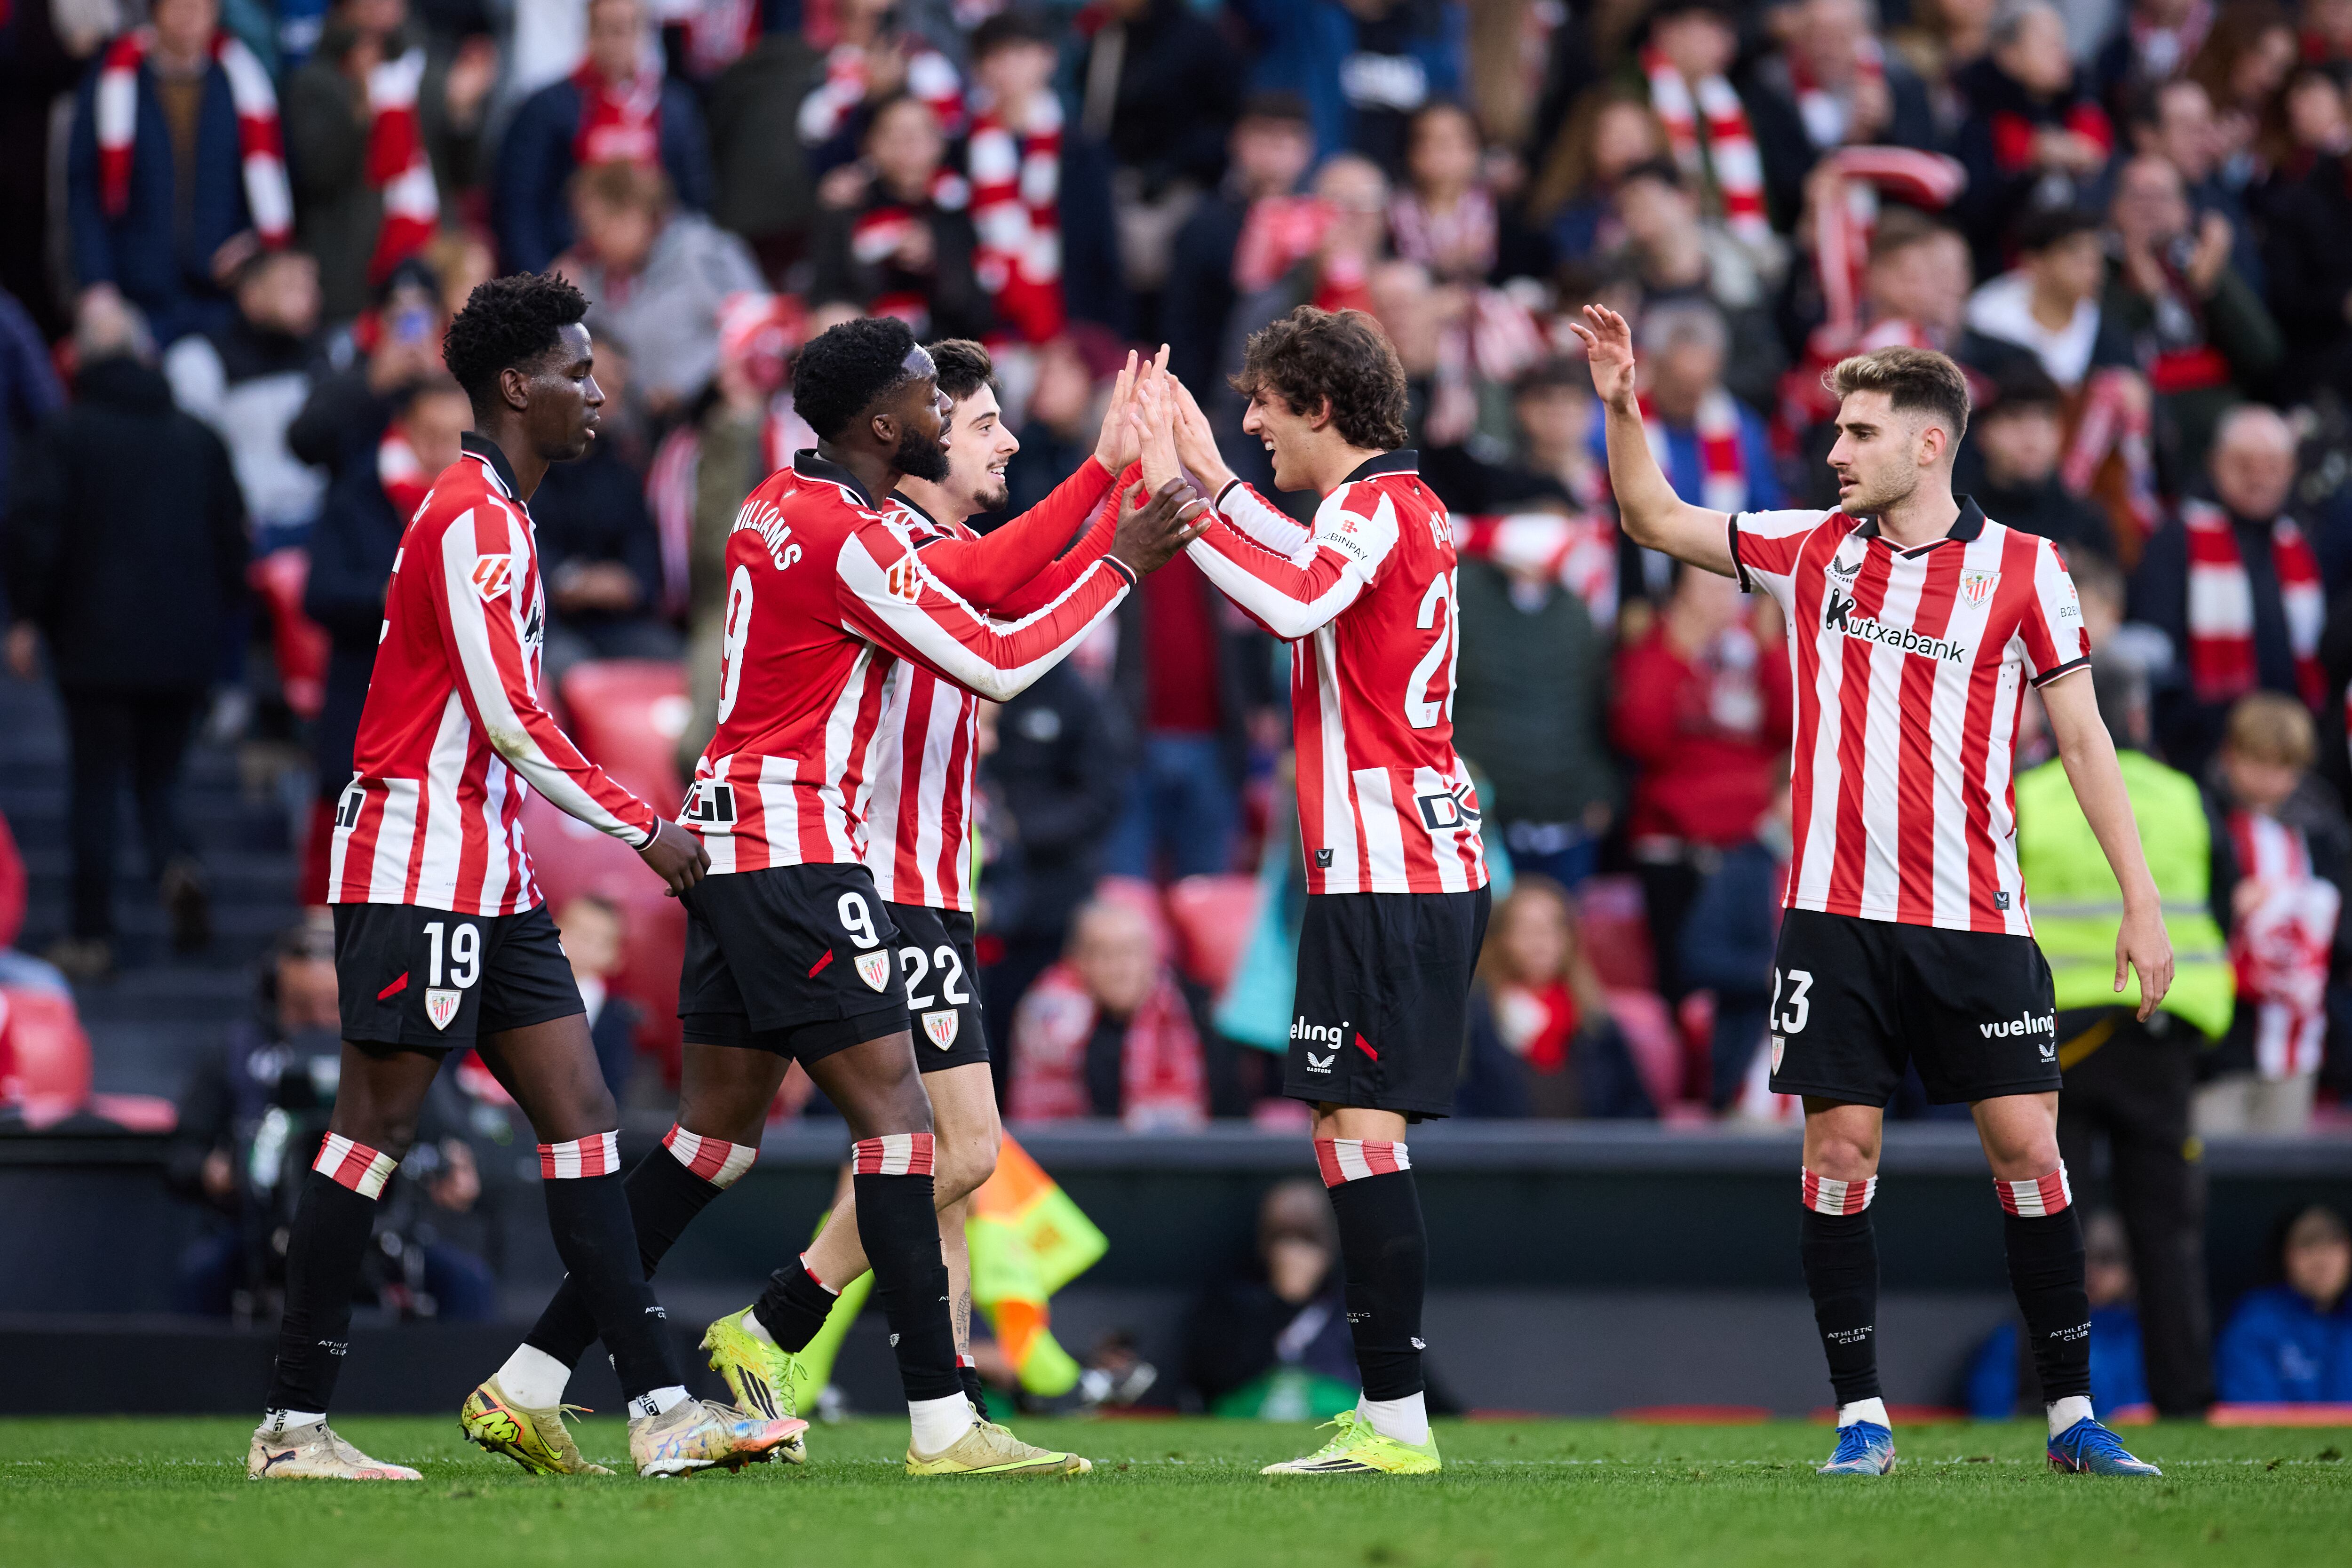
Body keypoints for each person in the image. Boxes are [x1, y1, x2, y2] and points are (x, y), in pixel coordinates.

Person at [474, 316, 1203, 1480]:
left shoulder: (787, 504)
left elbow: (983, 572)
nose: (944, 409)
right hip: (802, 854)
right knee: (910, 1141)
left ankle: (529, 1379)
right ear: (883, 424)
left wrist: (1101, 485)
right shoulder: (850, 536)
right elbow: (999, 654)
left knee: (713, 1143)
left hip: (736, 848)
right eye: (931, 397)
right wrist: (1122, 559)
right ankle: (940, 1422)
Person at [1571, 303, 2171, 1478]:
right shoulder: (1810, 548)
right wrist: (1620, 403)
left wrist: (2137, 898)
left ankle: (2070, 1420)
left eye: (1858, 432)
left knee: (2024, 1146)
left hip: (1975, 915)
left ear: (1928, 444)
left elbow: (2088, 742)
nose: (1835, 452)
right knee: (1840, 1153)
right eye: (1837, 431)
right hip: (1833, 917)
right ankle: (1860, 1417)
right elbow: (1649, 515)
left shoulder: (2026, 570)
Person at [262, 270, 790, 1482]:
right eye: (575, 372)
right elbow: (512, 719)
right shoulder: (473, 518)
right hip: (416, 859)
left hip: (488, 871)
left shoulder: (501, 510)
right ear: (515, 385)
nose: (597, 393)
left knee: (587, 1120)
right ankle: (293, 1428)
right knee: (373, 1132)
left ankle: (658, 1410)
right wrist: (644, 827)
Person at [1165, 304, 1491, 1476]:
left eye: (1260, 403)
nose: (1249, 422)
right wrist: (1209, 480)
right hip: (1386, 864)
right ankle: (1390, 1415)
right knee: (1348, 1135)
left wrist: (1182, 510)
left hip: (1392, 866)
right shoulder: (1394, 504)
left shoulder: (1370, 507)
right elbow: (1305, 569)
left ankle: (1398, 1423)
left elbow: (1293, 599)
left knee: (1359, 1130)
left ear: (1318, 405)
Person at [2015, 660, 2234, 1417]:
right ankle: (2186, 1399)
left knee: (2044, 1221)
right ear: (2138, 716)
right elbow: (2222, 907)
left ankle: (2042, 1399)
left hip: (2054, 1035)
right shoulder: (2185, 797)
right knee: (2167, 1234)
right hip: (2157, 1028)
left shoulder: (2032, 793)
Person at [5, 296, 246, 981]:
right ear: (146, 355)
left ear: (77, 357)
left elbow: (34, 535)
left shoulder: (65, 434)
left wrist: (27, 617)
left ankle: (93, 934)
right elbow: (235, 544)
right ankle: (178, 864)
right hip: (185, 646)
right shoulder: (199, 437)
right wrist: (219, 626)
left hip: (93, 645)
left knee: (95, 783)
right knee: (160, 780)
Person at [1611, 565, 1793, 1001]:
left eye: (1731, 585)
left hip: (1752, 848)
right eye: (1707, 584)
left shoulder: (1758, 644)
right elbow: (1639, 737)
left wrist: (1771, 648)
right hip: (1675, 842)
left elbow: (1796, 727)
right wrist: (1675, 653)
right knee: (1681, 982)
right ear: (1677, 593)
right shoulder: (1654, 647)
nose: (1723, 597)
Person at [65, 0, 291, 347]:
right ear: (156, 12)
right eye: (179, 6)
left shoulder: (242, 82)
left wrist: (252, 242)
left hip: (222, 297)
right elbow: (85, 191)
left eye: (201, 6)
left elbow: (269, 183)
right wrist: (98, 282)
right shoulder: (115, 80)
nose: (190, 17)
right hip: (136, 295)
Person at [2131, 405, 2322, 773]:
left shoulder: (2299, 544)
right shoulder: (2175, 539)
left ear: (2291, 470)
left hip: (2289, 754)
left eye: (2272, 465)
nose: (2259, 478)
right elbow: (2157, 648)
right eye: (2244, 464)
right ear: (2215, 462)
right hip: (2203, 752)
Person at [2199, 692, 2345, 1133]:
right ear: (2230, 757)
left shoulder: (2322, 831)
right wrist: (2231, 907)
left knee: (2283, 1173)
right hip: (2220, 1042)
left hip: (2297, 1040)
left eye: (2283, 767)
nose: (2268, 780)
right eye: (2256, 762)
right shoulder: (2206, 818)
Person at [493, 0, 715, 275]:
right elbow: (520, 205)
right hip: (578, 266)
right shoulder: (548, 108)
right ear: (589, 33)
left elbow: (695, 199)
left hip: (659, 269)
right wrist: (544, 275)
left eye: (624, 30)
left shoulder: (674, 107)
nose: (614, 42)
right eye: (605, 29)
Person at [556, 159, 762, 419]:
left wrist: (688, 386)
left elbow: (757, 325)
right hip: (657, 427)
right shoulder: (601, 275)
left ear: (632, 213)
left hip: (719, 410)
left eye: (599, 225)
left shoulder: (700, 252)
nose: (591, 238)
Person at [162, 248, 328, 552]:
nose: (310, 297)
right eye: (291, 285)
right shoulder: (201, 361)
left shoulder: (329, 357)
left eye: (312, 285)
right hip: (249, 531)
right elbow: (191, 463)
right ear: (252, 294)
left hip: (321, 524)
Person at [1007, 898, 1209, 1129]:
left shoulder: (1194, 1015)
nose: (1122, 968)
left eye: (1132, 952)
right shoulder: (1051, 1018)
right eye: (1106, 953)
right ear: (1077, 960)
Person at [1456, 877, 1647, 1119]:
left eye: (1552, 927)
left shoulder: (1596, 1021)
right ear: (1501, 939)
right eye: (1526, 929)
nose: (1540, 941)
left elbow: (1638, 1112)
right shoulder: (1473, 1019)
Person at [1184, 1178, 1360, 1418]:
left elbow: (1406, 1386)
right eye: (1283, 1237)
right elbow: (1209, 1381)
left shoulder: (1358, 1299)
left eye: (1309, 1238)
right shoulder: (1233, 1297)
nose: (1294, 1253)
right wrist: (1284, 1303)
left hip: (1336, 1413)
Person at [1968, 1210, 2154, 1420]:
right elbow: (1992, 1413)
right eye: (2079, 1258)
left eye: (2107, 1259)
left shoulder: (2148, 1337)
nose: (2090, 1270)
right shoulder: (2015, 1337)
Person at [1962, 362, 2118, 564]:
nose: (2032, 435)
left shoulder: (2086, 525)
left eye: (2045, 417)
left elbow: (2105, 592)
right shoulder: (1956, 517)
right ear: (1983, 432)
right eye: (2015, 417)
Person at [2216, 1204, 2352, 1402]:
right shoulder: (2256, 1322)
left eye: (2334, 1243)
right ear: (2285, 1255)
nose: (2321, 1260)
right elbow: (2253, 1420)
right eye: (2308, 1245)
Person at [553, 893, 639, 1099]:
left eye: (596, 940)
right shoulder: (522, 991)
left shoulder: (617, 1016)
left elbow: (613, 1085)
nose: (582, 945)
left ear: (616, 956)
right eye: (575, 931)